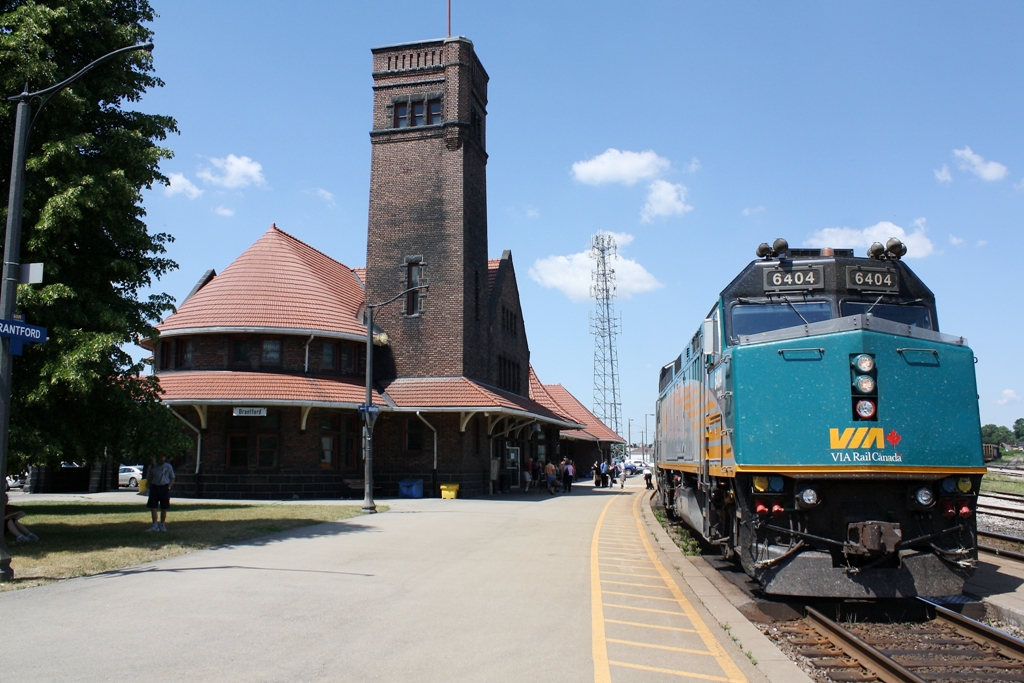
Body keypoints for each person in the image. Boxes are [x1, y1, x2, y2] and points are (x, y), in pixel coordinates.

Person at [146, 454, 176, 531]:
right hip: (155, 487)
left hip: (164, 487)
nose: (161, 458)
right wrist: (150, 486)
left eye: (162, 456)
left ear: (165, 458)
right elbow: (149, 478)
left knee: (164, 507)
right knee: (153, 507)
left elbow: (172, 478)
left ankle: (162, 524)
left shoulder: (168, 466)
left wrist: (168, 486)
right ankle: (155, 525)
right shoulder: (152, 466)